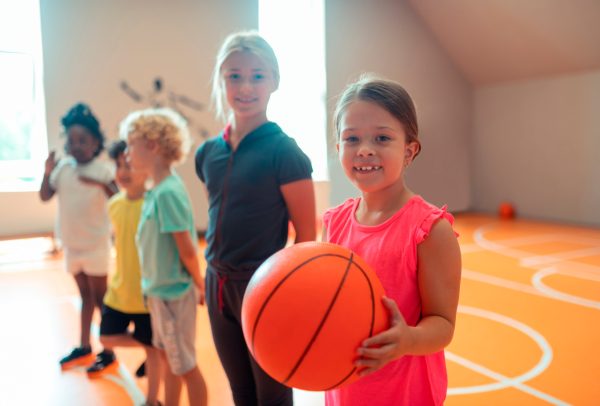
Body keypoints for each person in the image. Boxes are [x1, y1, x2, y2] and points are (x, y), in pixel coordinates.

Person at [323, 75, 462, 406]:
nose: (365, 149)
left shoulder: (430, 230)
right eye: (352, 138)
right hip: (345, 388)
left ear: (409, 150)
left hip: (403, 393)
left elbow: (443, 324)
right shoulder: (334, 223)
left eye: (382, 138)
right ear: (339, 148)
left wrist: (409, 339)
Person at [195, 31, 316, 405]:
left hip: (263, 287)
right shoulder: (207, 153)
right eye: (235, 76)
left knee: (273, 395)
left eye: (257, 75)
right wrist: (207, 278)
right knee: (242, 392)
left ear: (274, 81)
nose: (245, 86)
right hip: (217, 285)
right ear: (221, 79)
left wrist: (285, 294)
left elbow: (307, 237)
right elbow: (218, 216)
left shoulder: (285, 152)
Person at [122, 107, 208, 406]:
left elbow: (186, 247)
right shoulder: (155, 191)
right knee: (170, 360)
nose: (127, 152)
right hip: (159, 294)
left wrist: (200, 284)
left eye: (131, 144)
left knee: (185, 366)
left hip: (174, 295)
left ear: (153, 145)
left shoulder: (168, 192)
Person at [40, 102, 117, 369]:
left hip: (96, 245)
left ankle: (108, 350)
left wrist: (99, 183)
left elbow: (118, 199)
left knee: (101, 299)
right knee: (85, 297)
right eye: (71, 140)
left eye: (82, 140)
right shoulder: (64, 169)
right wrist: (47, 171)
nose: (76, 145)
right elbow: (45, 195)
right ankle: (84, 346)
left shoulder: (104, 170)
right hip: (72, 245)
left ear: (96, 142)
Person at [84, 139, 161, 406]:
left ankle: (152, 401)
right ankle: (150, 347)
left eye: (129, 164)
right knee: (105, 337)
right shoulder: (114, 204)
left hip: (146, 296)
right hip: (119, 291)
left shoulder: (154, 203)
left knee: (154, 355)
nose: (123, 171)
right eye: (118, 165)